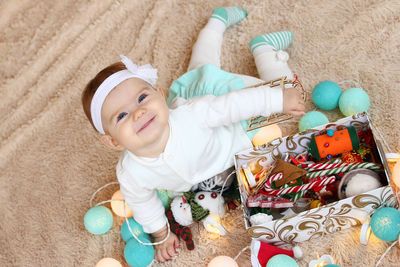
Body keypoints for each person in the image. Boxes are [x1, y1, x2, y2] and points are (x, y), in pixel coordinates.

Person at [81, 6, 305, 263]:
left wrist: (276, 99)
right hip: (198, 95)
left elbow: (234, 106)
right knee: (200, 66)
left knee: (292, 92)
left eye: (142, 97)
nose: (139, 112)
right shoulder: (131, 172)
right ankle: (216, 23)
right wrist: (161, 234)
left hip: (224, 109)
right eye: (121, 116)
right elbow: (142, 202)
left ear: (160, 95)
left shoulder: (191, 115)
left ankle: (264, 49)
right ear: (113, 141)